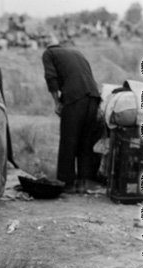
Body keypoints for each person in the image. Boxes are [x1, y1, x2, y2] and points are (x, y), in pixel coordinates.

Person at [42, 34, 101, 194]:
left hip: (75, 98)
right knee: (86, 142)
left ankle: (67, 184)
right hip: (94, 97)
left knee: (69, 141)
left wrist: (57, 103)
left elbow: (51, 78)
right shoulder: (76, 53)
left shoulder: (49, 53)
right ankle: (83, 183)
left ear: (47, 45)